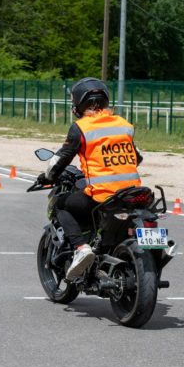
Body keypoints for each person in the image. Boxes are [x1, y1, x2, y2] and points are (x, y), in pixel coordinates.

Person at [43, 77, 142, 279]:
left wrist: (48, 175)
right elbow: (137, 157)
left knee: (62, 205)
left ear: (78, 104)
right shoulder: (123, 124)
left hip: (103, 195)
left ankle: (81, 248)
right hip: (132, 193)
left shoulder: (81, 128)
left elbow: (61, 159)